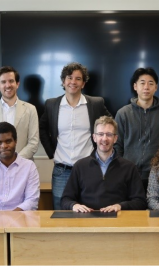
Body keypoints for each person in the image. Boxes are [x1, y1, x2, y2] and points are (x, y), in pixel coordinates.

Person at [39, 62, 110, 210]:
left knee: (89, 209)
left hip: (89, 168)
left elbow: (111, 126)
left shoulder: (95, 104)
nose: (73, 82)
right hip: (61, 170)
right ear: (63, 81)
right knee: (60, 210)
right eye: (69, 78)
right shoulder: (52, 105)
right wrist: (51, 151)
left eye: (78, 79)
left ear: (83, 83)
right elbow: (42, 128)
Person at [61, 116, 147, 212]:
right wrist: (74, 205)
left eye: (109, 134)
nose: (104, 138)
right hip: (87, 220)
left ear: (115, 138)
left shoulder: (129, 168)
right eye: (100, 134)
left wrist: (120, 206)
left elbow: (140, 202)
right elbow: (66, 199)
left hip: (118, 221)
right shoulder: (80, 166)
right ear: (94, 137)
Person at [114, 67, 159, 190]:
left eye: (150, 83)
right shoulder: (123, 113)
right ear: (135, 86)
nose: (146, 87)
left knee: (157, 209)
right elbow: (117, 145)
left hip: (158, 175)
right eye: (142, 83)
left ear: (156, 87)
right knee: (131, 208)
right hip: (129, 174)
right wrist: (120, 168)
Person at [0, 66, 39, 160]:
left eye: (11, 81)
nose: (8, 85)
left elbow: (33, 142)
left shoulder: (30, 109)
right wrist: (0, 162)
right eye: (3, 82)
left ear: (17, 84)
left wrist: (16, 161)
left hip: (23, 167)